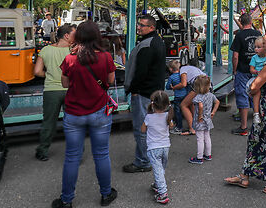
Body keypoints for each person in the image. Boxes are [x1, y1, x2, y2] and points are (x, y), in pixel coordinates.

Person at [52, 21, 117, 208]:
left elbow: (65, 84)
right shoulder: (105, 57)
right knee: (102, 154)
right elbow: (110, 79)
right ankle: (106, 194)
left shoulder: (70, 59)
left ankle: (66, 200)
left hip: (74, 113)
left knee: (72, 157)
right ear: (97, 36)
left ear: (78, 36)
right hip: (100, 113)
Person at [224, 30, 266, 194]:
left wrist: (252, 89)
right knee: (257, 140)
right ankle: (244, 176)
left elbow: (255, 87)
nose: (264, 45)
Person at [123, 15, 167, 173]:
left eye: (142, 25)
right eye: (139, 24)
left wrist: (133, 90)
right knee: (153, 128)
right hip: (155, 92)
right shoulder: (157, 41)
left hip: (144, 93)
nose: (139, 27)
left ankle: (142, 161)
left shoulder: (147, 45)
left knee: (141, 128)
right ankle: (152, 156)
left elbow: (141, 72)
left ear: (152, 27)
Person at [34, 24, 76, 161]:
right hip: (70, 90)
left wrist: (51, 75)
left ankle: (43, 151)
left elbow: (37, 72)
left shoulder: (46, 50)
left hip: (51, 91)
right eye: (74, 34)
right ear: (66, 35)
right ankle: (76, 153)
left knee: (49, 122)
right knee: (73, 123)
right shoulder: (73, 51)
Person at [230, 13, 262, 136]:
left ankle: (243, 127)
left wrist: (234, 70)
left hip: (243, 71)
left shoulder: (239, 35)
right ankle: (258, 125)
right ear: (250, 21)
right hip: (257, 71)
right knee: (256, 95)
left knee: (242, 95)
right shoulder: (258, 34)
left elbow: (235, 56)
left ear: (241, 22)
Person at [141, 90, 174, 205]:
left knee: (158, 170)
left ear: (153, 104)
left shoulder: (149, 117)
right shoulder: (167, 116)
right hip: (166, 146)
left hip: (153, 148)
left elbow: (143, 130)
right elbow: (171, 126)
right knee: (161, 168)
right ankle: (157, 184)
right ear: (166, 105)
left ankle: (163, 194)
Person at [188, 75, 220, 164]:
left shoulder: (198, 97)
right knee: (207, 137)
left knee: (200, 138)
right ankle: (208, 154)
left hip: (200, 120)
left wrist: (199, 116)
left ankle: (199, 157)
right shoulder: (211, 95)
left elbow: (200, 106)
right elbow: (217, 102)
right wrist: (213, 112)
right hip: (208, 119)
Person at [175, 62, 207, 135]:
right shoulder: (193, 68)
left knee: (183, 105)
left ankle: (192, 129)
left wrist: (174, 87)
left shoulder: (183, 69)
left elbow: (183, 84)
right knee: (191, 103)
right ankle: (197, 125)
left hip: (199, 83)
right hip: (207, 82)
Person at [248, 37, 266, 125]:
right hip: (257, 77)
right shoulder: (254, 58)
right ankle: (256, 113)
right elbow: (251, 69)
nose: (256, 49)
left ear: (264, 48)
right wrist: (257, 72)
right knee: (256, 90)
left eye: (258, 47)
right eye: (255, 47)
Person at [165, 60, 186, 134]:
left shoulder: (171, 77)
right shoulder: (181, 75)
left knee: (177, 112)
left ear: (170, 69)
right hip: (185, 95)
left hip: (178, 96)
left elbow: (167, 87)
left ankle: (179, 127)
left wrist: (172, 87)